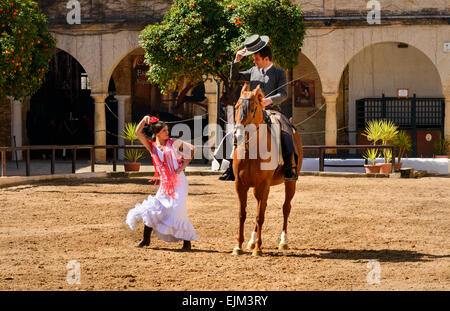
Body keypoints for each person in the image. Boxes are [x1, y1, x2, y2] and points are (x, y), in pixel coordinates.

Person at [219, 34, 298, 181]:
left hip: (272, 110)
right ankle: (230, 166)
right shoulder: (252, 71)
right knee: (237, 129)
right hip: (252, 110)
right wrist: (236, 60)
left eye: (256, 59)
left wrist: (269, 100)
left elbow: (284, 93)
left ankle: (289, 166)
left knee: (285, 130)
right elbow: (234, 77)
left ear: (266, 59)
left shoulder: (280, 73)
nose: (254, 62)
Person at [126, 115, 199, 250]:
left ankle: (187, 242)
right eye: (164, 130)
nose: (167, 132)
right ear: (157, 133)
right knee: (153, 208)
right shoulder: (152, 146)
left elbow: (192, 148)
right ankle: (146, 239)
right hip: (164, 184)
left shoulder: (173, 142)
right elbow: (138, 132)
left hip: (179, 183)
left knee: (178, 210)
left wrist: (183, 167)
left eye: (167, 130)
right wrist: (144, 119)